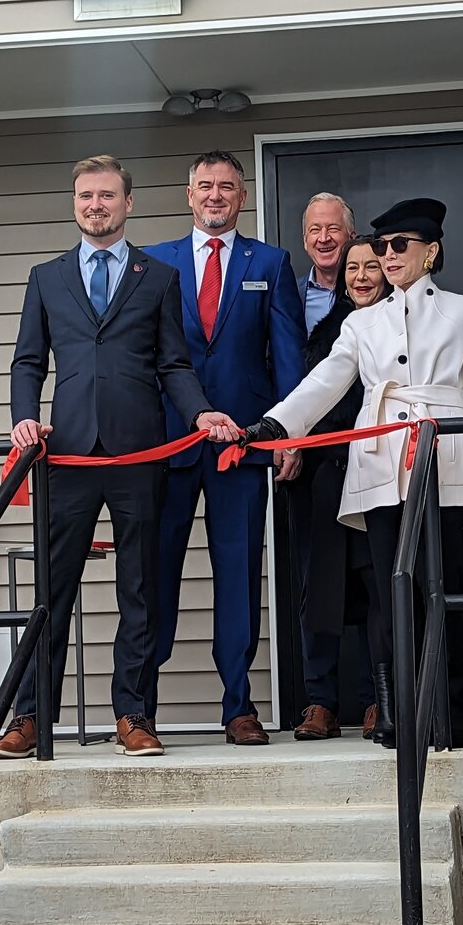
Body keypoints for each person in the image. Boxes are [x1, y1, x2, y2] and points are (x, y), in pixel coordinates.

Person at [243, 197, 463, 748]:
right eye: (382, 246)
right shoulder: (361, 322)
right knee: (390, 593)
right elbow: (326, 380)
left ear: (431, 251)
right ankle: (399, 714)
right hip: (379, 464)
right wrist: (280, 424)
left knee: (442, 585)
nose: (388, 255)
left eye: (400, 246)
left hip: (441, 457)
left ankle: (455, 712)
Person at [0, 155, 239, 761]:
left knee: (141, 591)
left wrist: (201, 412)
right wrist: (24, 415)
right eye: (85, 196)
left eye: (107, 195)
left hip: (139, 453)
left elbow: (173, 365)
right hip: (68, 455)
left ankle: (133, 712)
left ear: (128, 204)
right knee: (53, 590)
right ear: (74, 204)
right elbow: (28, 361)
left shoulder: (156, 277)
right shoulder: (46, 278)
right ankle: (29, 717)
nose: (95, 205)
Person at [144, 151, 307, 745]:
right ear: (189, 195)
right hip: (168, 444)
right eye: (205, 186)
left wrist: (289, 432)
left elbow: (288, 355)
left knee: (238, 572)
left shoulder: (269, 262)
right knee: (153, 573)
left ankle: (238, 703)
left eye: (227, 188)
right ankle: (141, 707)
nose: (216, 196)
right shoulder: (152, 263)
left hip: (242, 445)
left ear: (243, 197)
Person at [293, 236, 391, 743]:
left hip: (381, 467)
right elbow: (310, 391)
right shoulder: (331, 328)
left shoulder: (399, 324)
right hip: (326, 468)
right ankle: (321, 703)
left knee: (375, 585)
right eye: (353, 268)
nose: (361, 277)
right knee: (322, 588)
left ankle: (378, 699)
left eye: (371, 266)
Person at [297, 192, 356, 333]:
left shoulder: (373, 289)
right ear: (305, 241)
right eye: (315, 230)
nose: (323, 238)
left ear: (352, 237)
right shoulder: (291, 294)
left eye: (333, 229)